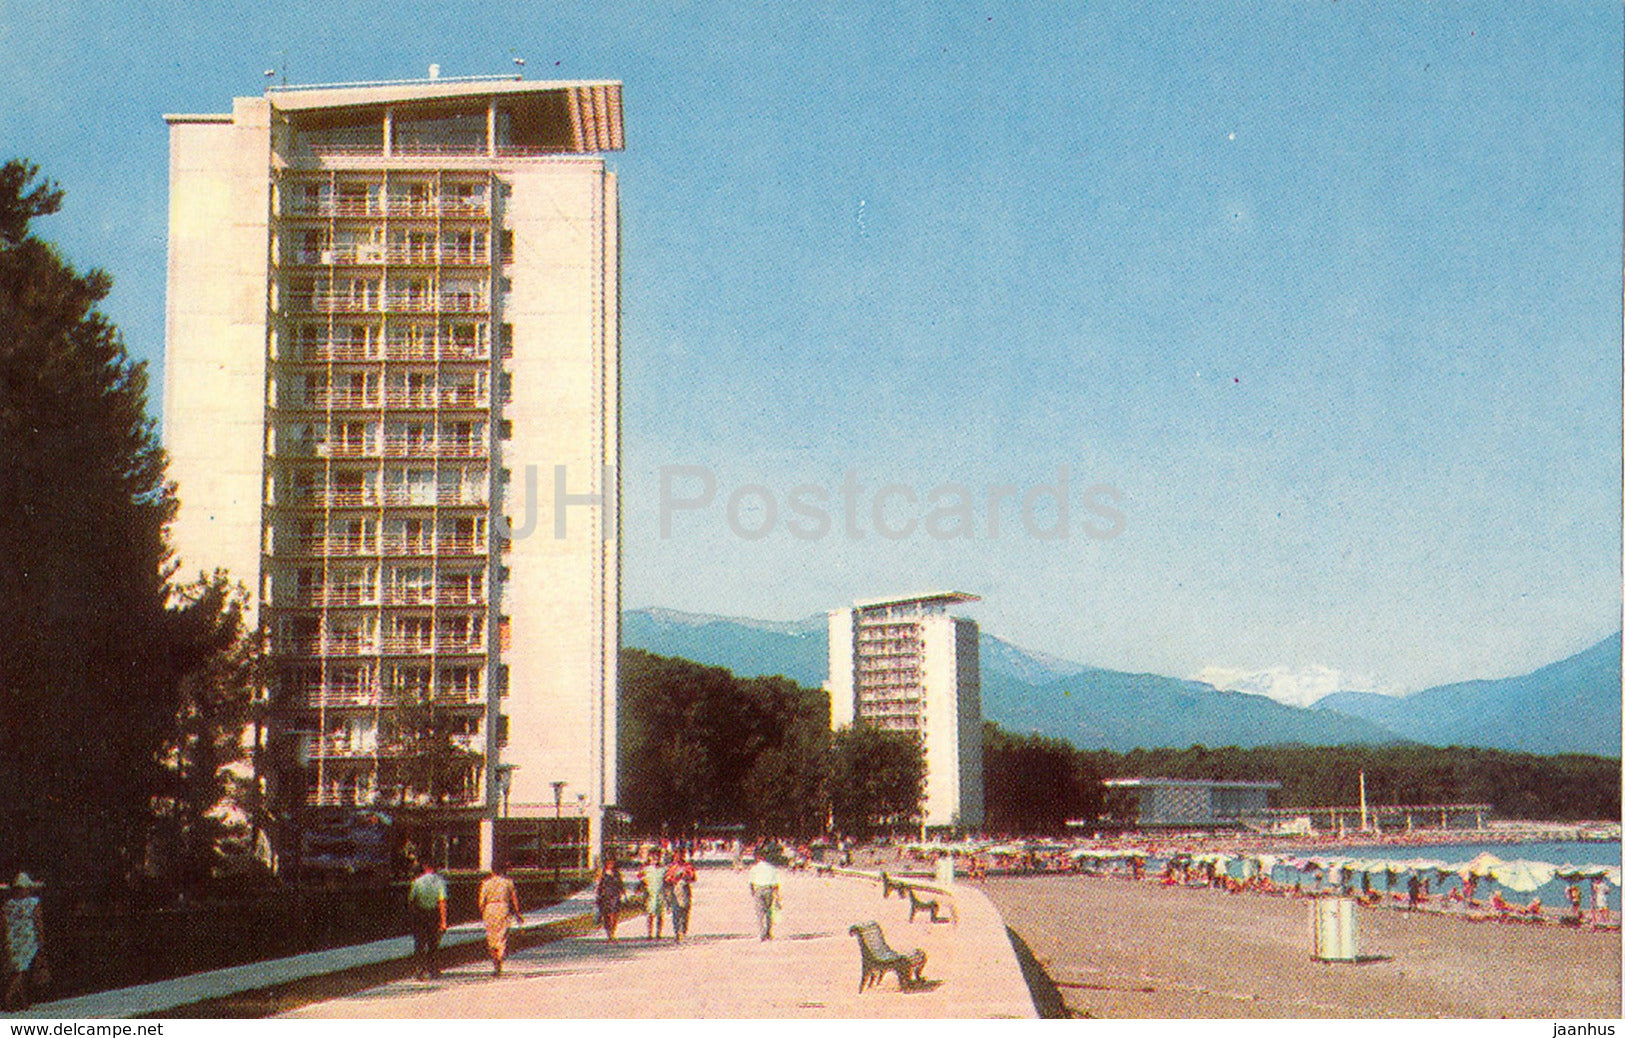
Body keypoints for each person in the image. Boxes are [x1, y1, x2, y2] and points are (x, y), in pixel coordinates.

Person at [3, 873, 46, 1011]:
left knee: (17, 968)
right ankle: (9, 997)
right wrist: (41, 938)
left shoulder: (8, 905)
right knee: (23, 969)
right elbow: (37, 921)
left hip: (13, 937)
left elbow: (3, 923)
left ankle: (23, 1001)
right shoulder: (33, 902)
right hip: (28, 936)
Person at [478, 862, 523, 976]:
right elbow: (514, 899)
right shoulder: (508, 883)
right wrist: (518, 914)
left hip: (490, 908)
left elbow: (481, 902)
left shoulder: (486, 883)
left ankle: (495, 961)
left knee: (491, 936)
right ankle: (500, 957)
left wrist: (483, 912)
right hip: (503, 907)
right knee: (502, 935)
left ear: (492, 870)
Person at [407, 860, 448, 980]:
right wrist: (444, 921)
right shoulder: (440, 882)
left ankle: (419, 969)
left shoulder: (417, 882)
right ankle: (433, 969)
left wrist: (412, 917)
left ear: (424, 867)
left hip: (420, 914)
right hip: (433, 914)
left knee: (419, 943)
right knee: (433, 943)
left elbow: (411, 900)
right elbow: (442, 901)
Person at [664, 850, 698, 942]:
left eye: (680, 855)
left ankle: (683, 930)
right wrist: (673, 877)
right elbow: (667, 879)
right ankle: (677, 932)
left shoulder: (687, 866)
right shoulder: (672, 867)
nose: (678, 857)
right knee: (676, 911)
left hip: (685, 890)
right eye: (676, 856)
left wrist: (686, 875)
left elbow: (694, 878)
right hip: (675, 890)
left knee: (685, 910)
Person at [748, 853, 781, 940]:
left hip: (759, 889)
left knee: (760, 913)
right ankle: (769, 932)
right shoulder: (772, 868)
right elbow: (776, 884)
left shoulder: (754, 868)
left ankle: (762, 933)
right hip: (769, 890)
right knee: (769, 912)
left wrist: (753, 893)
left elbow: (751, 882)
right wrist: (778, 897)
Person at [595, 858, 625, 941]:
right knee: (607, 916)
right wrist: (598, 895)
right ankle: (609, 933)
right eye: (609, 863)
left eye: (612, 863)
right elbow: (598, 885)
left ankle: (613, 932)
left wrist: (623, 893)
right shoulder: (602, 874)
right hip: (605, 896)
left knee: (615, 915)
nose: (611, 865)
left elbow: (621, 884)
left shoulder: (617, 874)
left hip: (615, 895)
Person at [642, 852, 668, 940]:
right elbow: (641, 877)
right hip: (651, 893)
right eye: (654, 857)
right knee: (651, 914)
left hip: (661, 893)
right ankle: (650, 933)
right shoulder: (647, 869)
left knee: (660, 914)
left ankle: (659, 932)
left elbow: (667, 881)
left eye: (658, 857)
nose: (656, 859)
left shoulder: (664, 869)